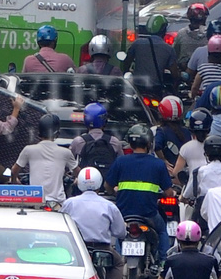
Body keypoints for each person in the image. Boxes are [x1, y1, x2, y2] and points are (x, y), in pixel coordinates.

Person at [106, 128, 174, 260]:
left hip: (124, 214)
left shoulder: (121, 162)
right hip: (149, 214)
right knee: (162, 230)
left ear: (130, 144)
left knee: (120, 235)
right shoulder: (158, 164)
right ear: (149, 144)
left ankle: (120, 260)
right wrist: (172, 193)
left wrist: (115, 192)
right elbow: (168, 192)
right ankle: (163, 262)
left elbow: (108, 186)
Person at [63, 167, 127, 267]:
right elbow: (120, 232)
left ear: (79, 183)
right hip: (102, 250)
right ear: (100, 182)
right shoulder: (109, 206)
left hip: (76, 249)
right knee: (118, 264)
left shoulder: (69, 203)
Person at [17, 112, 77, 204]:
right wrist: (76, 179)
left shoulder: (28, 150)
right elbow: (79, 173)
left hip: (35, 201)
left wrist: (14, 181)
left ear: (39, 132)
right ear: (57, 133)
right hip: (58, 203)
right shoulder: (66, 153)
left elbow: (14, 170)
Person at [130, 15, 181, 94]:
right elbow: (175, 74)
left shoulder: (137, 44)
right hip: (156, 90)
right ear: (163, 29)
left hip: (137, 88)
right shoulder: (169, 49)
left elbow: (126, 63)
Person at [72, 103, 126, 172]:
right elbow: (121, 165)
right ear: (104, 120)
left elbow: (70, 163)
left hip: (85, 180)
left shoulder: (78, 141)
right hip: (108, 180)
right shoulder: (114, 141)